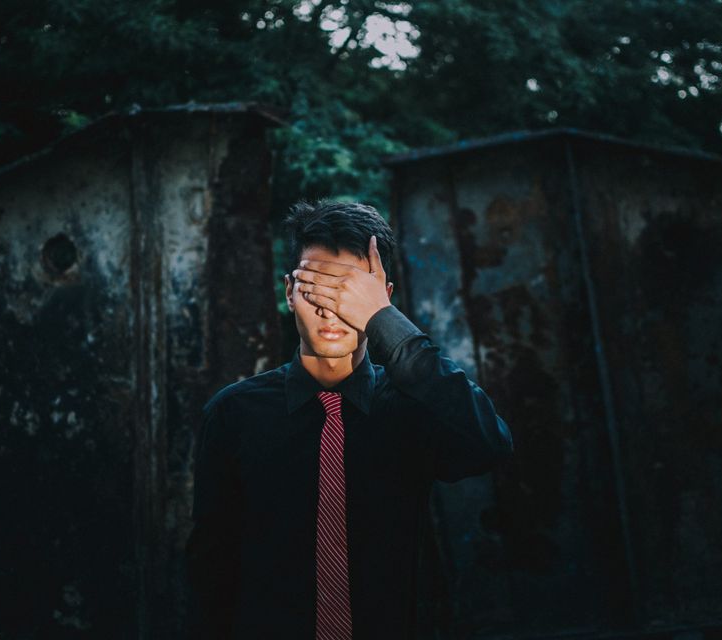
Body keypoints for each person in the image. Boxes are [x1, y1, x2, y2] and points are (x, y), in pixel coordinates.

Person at [185, 200, 514, 639]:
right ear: (288, 292)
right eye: (313, 288)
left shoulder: (413, 407)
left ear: (382, 298)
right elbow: (210, 567)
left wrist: (384, 322)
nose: (328, 308)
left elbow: (488, 444)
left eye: (347, 291)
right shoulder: (234, 415)